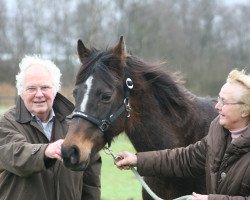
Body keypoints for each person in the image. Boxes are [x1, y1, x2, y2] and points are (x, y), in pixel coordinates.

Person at [115, 69, 250, 200]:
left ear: (245, 110)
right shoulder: (218, 132)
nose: (217, 106)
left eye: (224, 102)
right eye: (219, 99)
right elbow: (184, 159)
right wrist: (137, 160)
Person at [0, 55, 101, 200]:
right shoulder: (6, 122)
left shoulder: (76, 125)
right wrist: (45, 151)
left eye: (45, 87)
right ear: (21, 93)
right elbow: (15, 154)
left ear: (56, 89)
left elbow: (91, 178)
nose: (39, 94)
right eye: (31, 88)